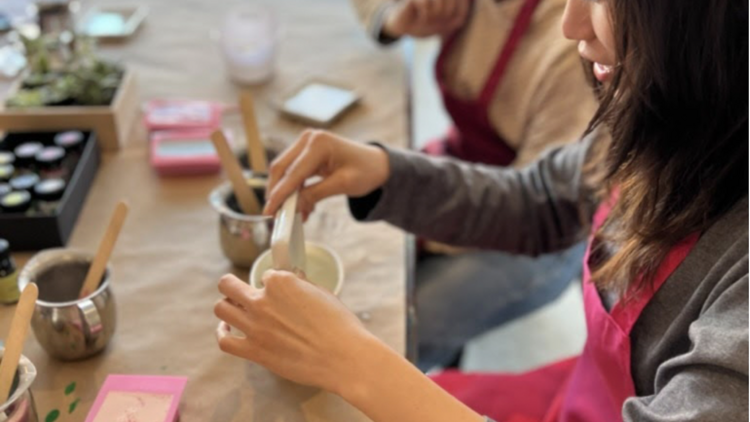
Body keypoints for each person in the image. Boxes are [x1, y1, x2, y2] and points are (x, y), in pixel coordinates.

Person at [214, 0, 748, 420]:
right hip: (580, 397)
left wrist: (358, 363)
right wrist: (384, 173)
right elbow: (541, 199)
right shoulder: (663, 116)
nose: (571, 24)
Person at [350, 0, 599, 370]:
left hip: (537, 234)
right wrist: (394, 16)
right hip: (473, 174)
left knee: (386, 338)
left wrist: (419, 232)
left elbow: (533, 205)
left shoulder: (570, 45)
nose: (579, 24)